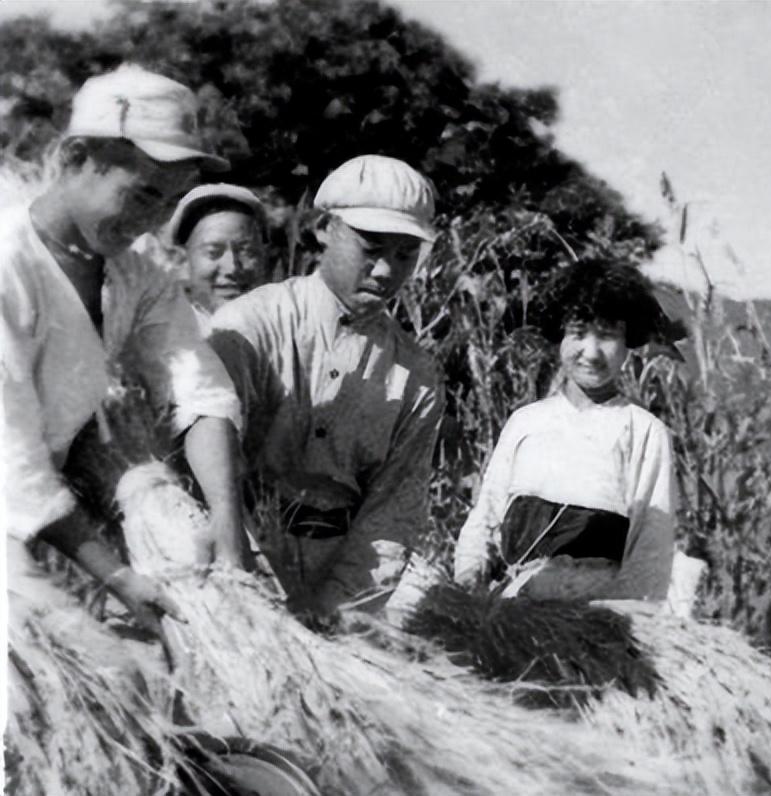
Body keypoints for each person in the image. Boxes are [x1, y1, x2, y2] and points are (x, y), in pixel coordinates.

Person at [2, 64, 248, 631]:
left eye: (164, 204)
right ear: (76, 159)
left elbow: (198, 388)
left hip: (34, 510)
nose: (147, 223)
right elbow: (9, 456)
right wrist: (116, 576)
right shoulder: (9, 265)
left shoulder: (136, 276)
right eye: (137, 196)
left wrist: (230, 542)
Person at [206, 155, 445, 616]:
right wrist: (246, 584)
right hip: (235, 561)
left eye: (404, 255)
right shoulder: (249, 327)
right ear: (322, 228)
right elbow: (205, 469)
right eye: (371, 248)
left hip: (337, 575)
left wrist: (339, 614)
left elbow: (391, 518)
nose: (385, 272)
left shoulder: (417, 376)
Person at [388, 259, 677, 620]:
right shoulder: (526, 422)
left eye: (606, 335)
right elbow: (486, 518)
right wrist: (469, 587)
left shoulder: (644, 432)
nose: (590, 351)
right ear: (560, 336)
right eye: (578, 332)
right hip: (510, 612)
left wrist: (620, 626)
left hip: (592, 621)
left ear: (627, 341)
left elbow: (650, 549)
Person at [165, 183, 269, 326]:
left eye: (247, 251)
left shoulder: (288, 332)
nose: (232, 267)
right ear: (182, 261)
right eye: (213, 253)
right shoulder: (164, 336)